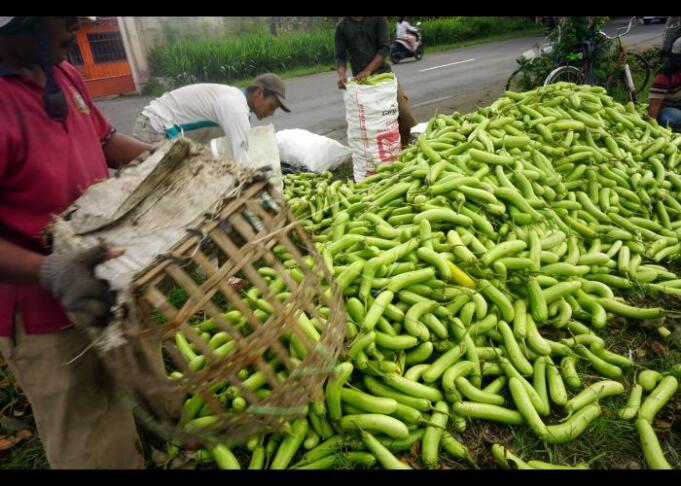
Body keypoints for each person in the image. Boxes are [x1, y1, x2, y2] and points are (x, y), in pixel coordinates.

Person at [0, 16, 156, 469]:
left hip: (107, 272)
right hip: (41, 306)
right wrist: (48, 269)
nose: (79, 25)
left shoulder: (64, 73)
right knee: (89, 438)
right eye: (64, 17)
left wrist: (171, 161)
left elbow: (104, 140)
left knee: (139, 391)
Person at [133, 74, 291, 163]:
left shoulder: (236, 103)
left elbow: (216, 149)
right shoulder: (236, 107)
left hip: (162, 130)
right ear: (259, 92)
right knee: (163, 191)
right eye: (271, 106)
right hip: (155, 127)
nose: (271, 113)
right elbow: (242, 161)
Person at [335, 16, 417, 148]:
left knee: (404, 113)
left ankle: (404, 149)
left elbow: (384, 48)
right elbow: (340, 56)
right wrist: (342, 75)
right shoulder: (342, 27)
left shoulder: (378, 19)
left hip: (384, 76)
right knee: (371, 125)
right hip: (362, 83)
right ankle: (379, 155)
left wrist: (368, 70)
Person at [648, 37, 681, 133]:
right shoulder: (665, 75)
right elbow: (655, 104)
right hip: (670, 107)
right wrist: (651, 127)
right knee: (672, 119)